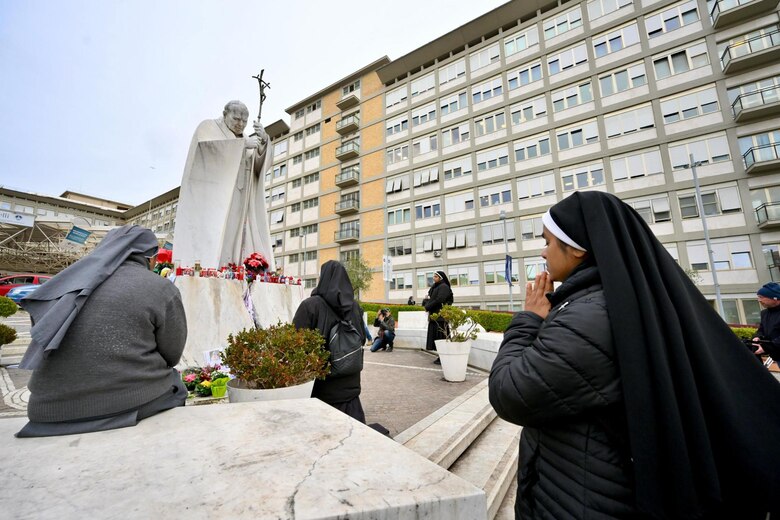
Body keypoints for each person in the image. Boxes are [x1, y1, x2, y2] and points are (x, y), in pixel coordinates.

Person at [489, 191, 780, 519]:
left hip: (583, 497)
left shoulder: (590, 316)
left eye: (547, 242)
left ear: (577, 248)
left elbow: (510, 393)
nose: (543, 252)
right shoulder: (620, 300)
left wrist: (528, 320)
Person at [17, 225, 188, 437]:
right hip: (125, 401)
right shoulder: (161, 288)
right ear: (150, 258)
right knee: (177, 386)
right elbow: (172, 354)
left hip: (46, 410)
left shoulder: (65, 281)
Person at [173, 100, 275, 270]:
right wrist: (242, 145)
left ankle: (233, 266)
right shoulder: (208, 128)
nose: (240, 124)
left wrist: (263, 142)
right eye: (236, 119)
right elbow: (206, 152)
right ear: (225, 114)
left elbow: (258, 166)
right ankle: (213, 266)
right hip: (216, 198)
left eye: (244, 121)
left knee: (236, 235)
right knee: (219, 232)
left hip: (241, 196)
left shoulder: (245, 138)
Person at [293, 260, 367, 422]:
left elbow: (296, 345)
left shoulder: (310, 306)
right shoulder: (355, 308)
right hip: (351, 389)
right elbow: (361, 339)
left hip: (322, 390)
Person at [424, 270, 453, 364]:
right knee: (436, 338)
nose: (434, 278)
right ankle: (440, 356)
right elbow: (430, 297)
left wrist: (428, 306)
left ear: (440, 278)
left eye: (436, 276)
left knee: (441, 337)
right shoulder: (435, 287)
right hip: (435, 317)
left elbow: (439, 299)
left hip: (440, 318)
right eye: (434, 276)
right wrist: (426, 302)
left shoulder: (443, 287)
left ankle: (443, 357)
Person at [752, 282, 780, 360]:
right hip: (776, 355)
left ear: (775, 298)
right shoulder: (764, 313)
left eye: (761, 297)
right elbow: (761, 330)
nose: (759, 300)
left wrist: (767, 347)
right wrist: (757, 337)